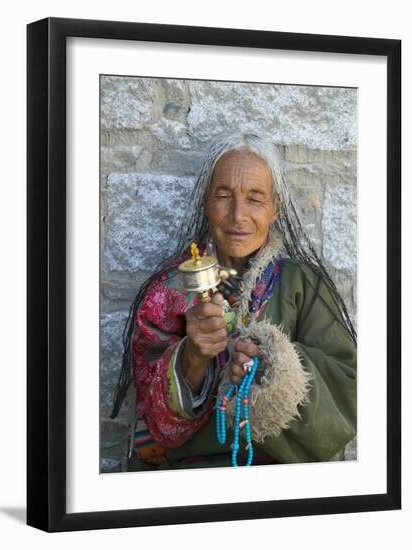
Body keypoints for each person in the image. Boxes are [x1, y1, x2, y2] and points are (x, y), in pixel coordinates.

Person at [110, 133, 357, 470]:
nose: (238, 214)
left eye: (255, 199)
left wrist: (270, 365)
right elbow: (152, 420)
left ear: (275, 209)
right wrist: (193, 358)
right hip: (189, 479)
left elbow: (348, 389)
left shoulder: (304, 286)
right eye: (224, 195)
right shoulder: (166, 293)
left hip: (282, 478)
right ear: (206, 203)